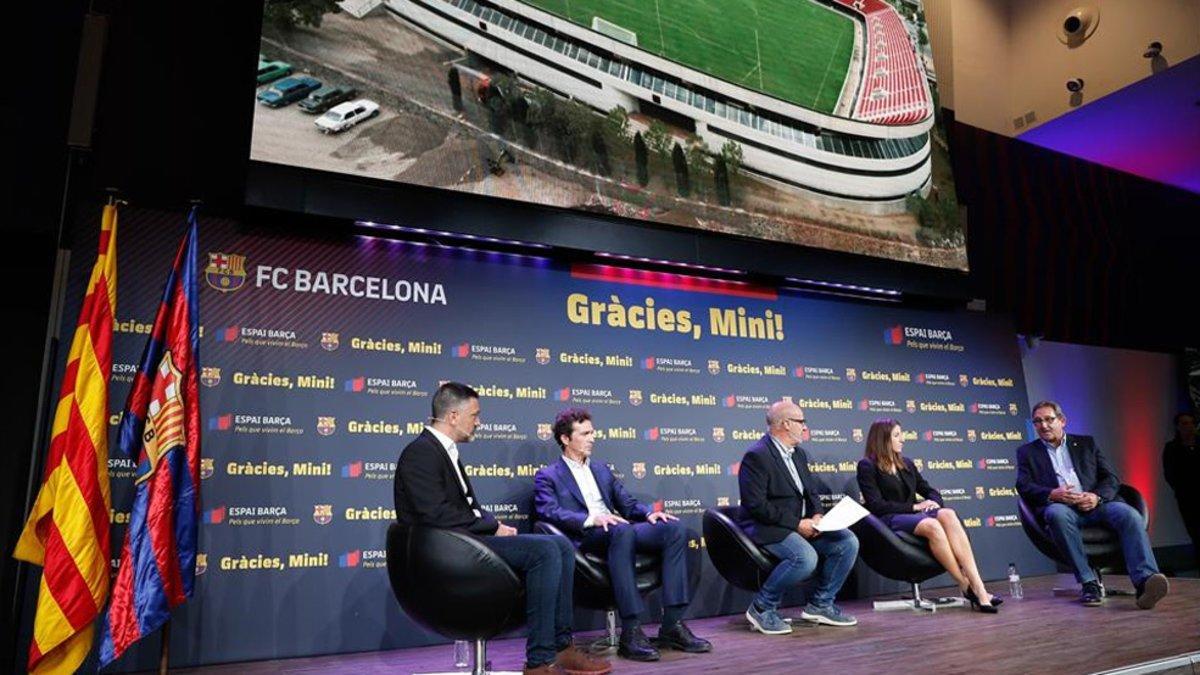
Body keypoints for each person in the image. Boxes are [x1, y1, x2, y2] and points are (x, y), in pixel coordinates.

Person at [394, 383, 611, 675]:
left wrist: (492, 527)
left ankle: (561, 646)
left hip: (464, 544)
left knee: (560, 546)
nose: (479, 422)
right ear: (454, 416)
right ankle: (539, 661)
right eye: (475, 415)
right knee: (546, 550)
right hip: (445, 554)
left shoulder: (444, 451)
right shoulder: (421, 452)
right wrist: (492, 526)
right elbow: (434, 514)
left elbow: (463, 508)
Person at [534, 407, 712, 662]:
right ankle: (631, 631)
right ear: (565, 439)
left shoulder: (602, 470)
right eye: (585, 433)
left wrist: (649, 513)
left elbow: (627, 504)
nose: (592, 438)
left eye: (592, 432)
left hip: (619, 530)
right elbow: (548, 512)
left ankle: (672, 625)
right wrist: (591, 518)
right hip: (587, 537)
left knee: (674, 530)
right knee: (621, 530)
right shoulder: (548, 475)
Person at [1015, 400, 1169, 608]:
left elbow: (1111, 478)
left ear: (1062, 421)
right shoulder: (1027, 452)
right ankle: (1089, 583)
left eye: (1049, 419)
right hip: (1063, 507)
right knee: (1056, 515)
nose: (1044, 425)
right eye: (1038, 422)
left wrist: (1096, 496)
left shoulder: (1087, 444)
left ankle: (1145, 581)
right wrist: (1053, 493)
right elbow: (1023, 486)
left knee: (1129, 514)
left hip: (1097, 504)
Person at [736, 400, 859, 634]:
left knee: (847, 541)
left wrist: (817, 515)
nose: (805, 427)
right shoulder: (757, 456)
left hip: (801, 525)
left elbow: (810, 492)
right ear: (785, 423)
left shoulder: (799, 454)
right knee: (805, 557)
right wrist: (796, 524)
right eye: (801, 422)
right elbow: (756, 505)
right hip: (768, 527)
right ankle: (762, 608)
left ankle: (820, 604)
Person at [856, 418, 1000, 612]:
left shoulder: (906, 464)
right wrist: (915, 508)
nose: (903, 439)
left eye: (902, 434)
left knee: (948, 514)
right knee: (932, 525)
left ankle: (978, 585)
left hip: (914, 517)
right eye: (897, 435)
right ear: (883, 439)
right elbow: (876, 505)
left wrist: (934, 503)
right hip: (889, 520)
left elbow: (930, 491)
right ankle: (965, 584)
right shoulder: (867, 466)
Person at [1162, 411, 1200, 571]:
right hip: (1187, 496)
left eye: (1191, 423)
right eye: (1184, 423)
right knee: (1195, 529)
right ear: (1177, 427)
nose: (1188, 427)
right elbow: (1170, 473)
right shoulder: (1172, 448)